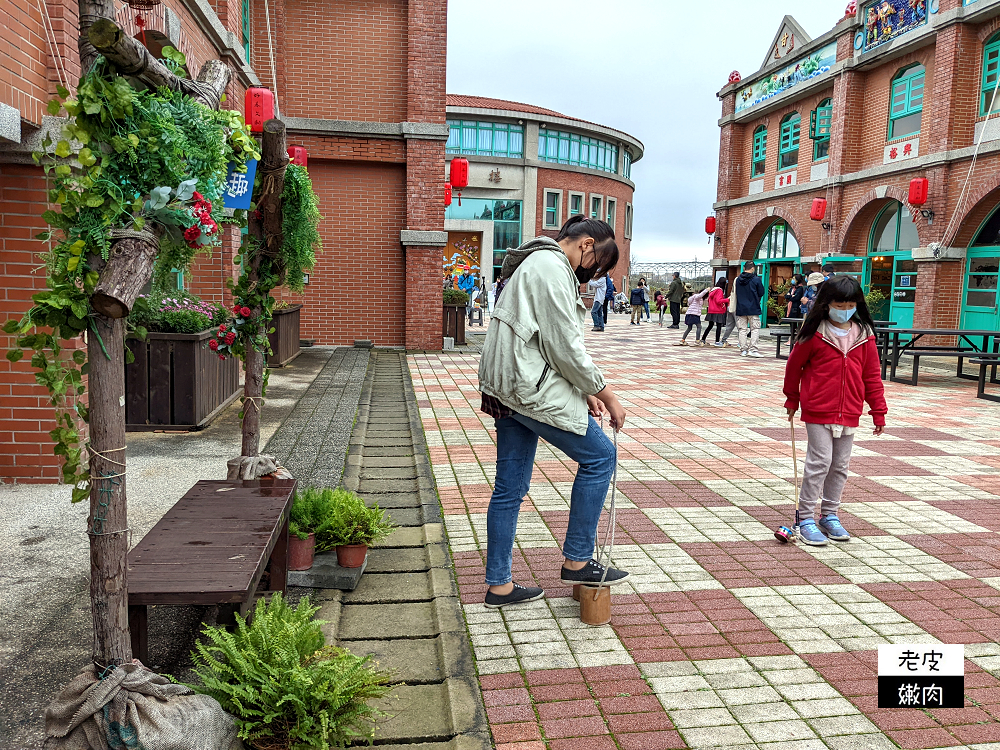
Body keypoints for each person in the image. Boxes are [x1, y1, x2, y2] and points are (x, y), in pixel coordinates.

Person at [478, 215, 630, 607]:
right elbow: (564, 346)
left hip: (509, 385)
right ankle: (578, 559)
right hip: (526, 386)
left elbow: (543, 345)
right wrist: (606, 393)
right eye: (596, 265)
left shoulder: (536, 262)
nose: (591, 274)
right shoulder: (550, 267)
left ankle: (500, 585)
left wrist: (585, 392)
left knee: (509, 488)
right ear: (585, 246)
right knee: (601, 456)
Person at [783, 276, 887, 546]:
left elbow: (872, 376)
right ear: (826, 304)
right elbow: (794, 367)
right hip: (818, 407)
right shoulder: (814, 332)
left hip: (850, 408)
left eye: (851, 303)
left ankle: (829, 514)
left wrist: (879, 410)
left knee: (840, 465)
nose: (845, 308)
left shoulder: (864, 335)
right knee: (820, 462)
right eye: (840, 303)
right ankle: (804, 518)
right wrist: (792, 399)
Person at [731, 261, 766, 357]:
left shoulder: (737, 280)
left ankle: (743, 350)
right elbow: (761, 292)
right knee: (754, 329)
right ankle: (753, 350)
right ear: (753, 268)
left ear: (744, 268)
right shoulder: (756, 279)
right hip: (753, 308)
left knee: (742, 329)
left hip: (740, 308)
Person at [702, 278, 730, 345]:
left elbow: (709, 300)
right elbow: (718, 301)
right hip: (718, 310)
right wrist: (727, 299)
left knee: (710, 325)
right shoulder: (719, 290)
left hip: (711, 310)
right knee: (719, 326)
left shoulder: (713, 290)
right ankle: (717, 341)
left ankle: (703, 339)